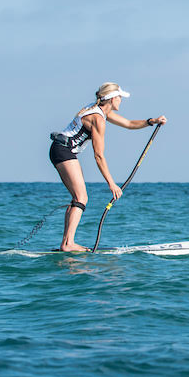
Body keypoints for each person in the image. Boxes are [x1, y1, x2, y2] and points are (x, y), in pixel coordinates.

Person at [48, 83, 166, 251]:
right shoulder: (97, 119)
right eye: (119, 97)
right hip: (63, 151)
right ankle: (68, 244)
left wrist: (152, 121)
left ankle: (66, 242)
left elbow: (129, 123)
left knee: (78, 198)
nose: (121, 101)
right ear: (111, 99)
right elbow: (99, 156)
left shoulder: (100, 110)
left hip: (60, 150)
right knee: (81, 198)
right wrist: (111, 183)